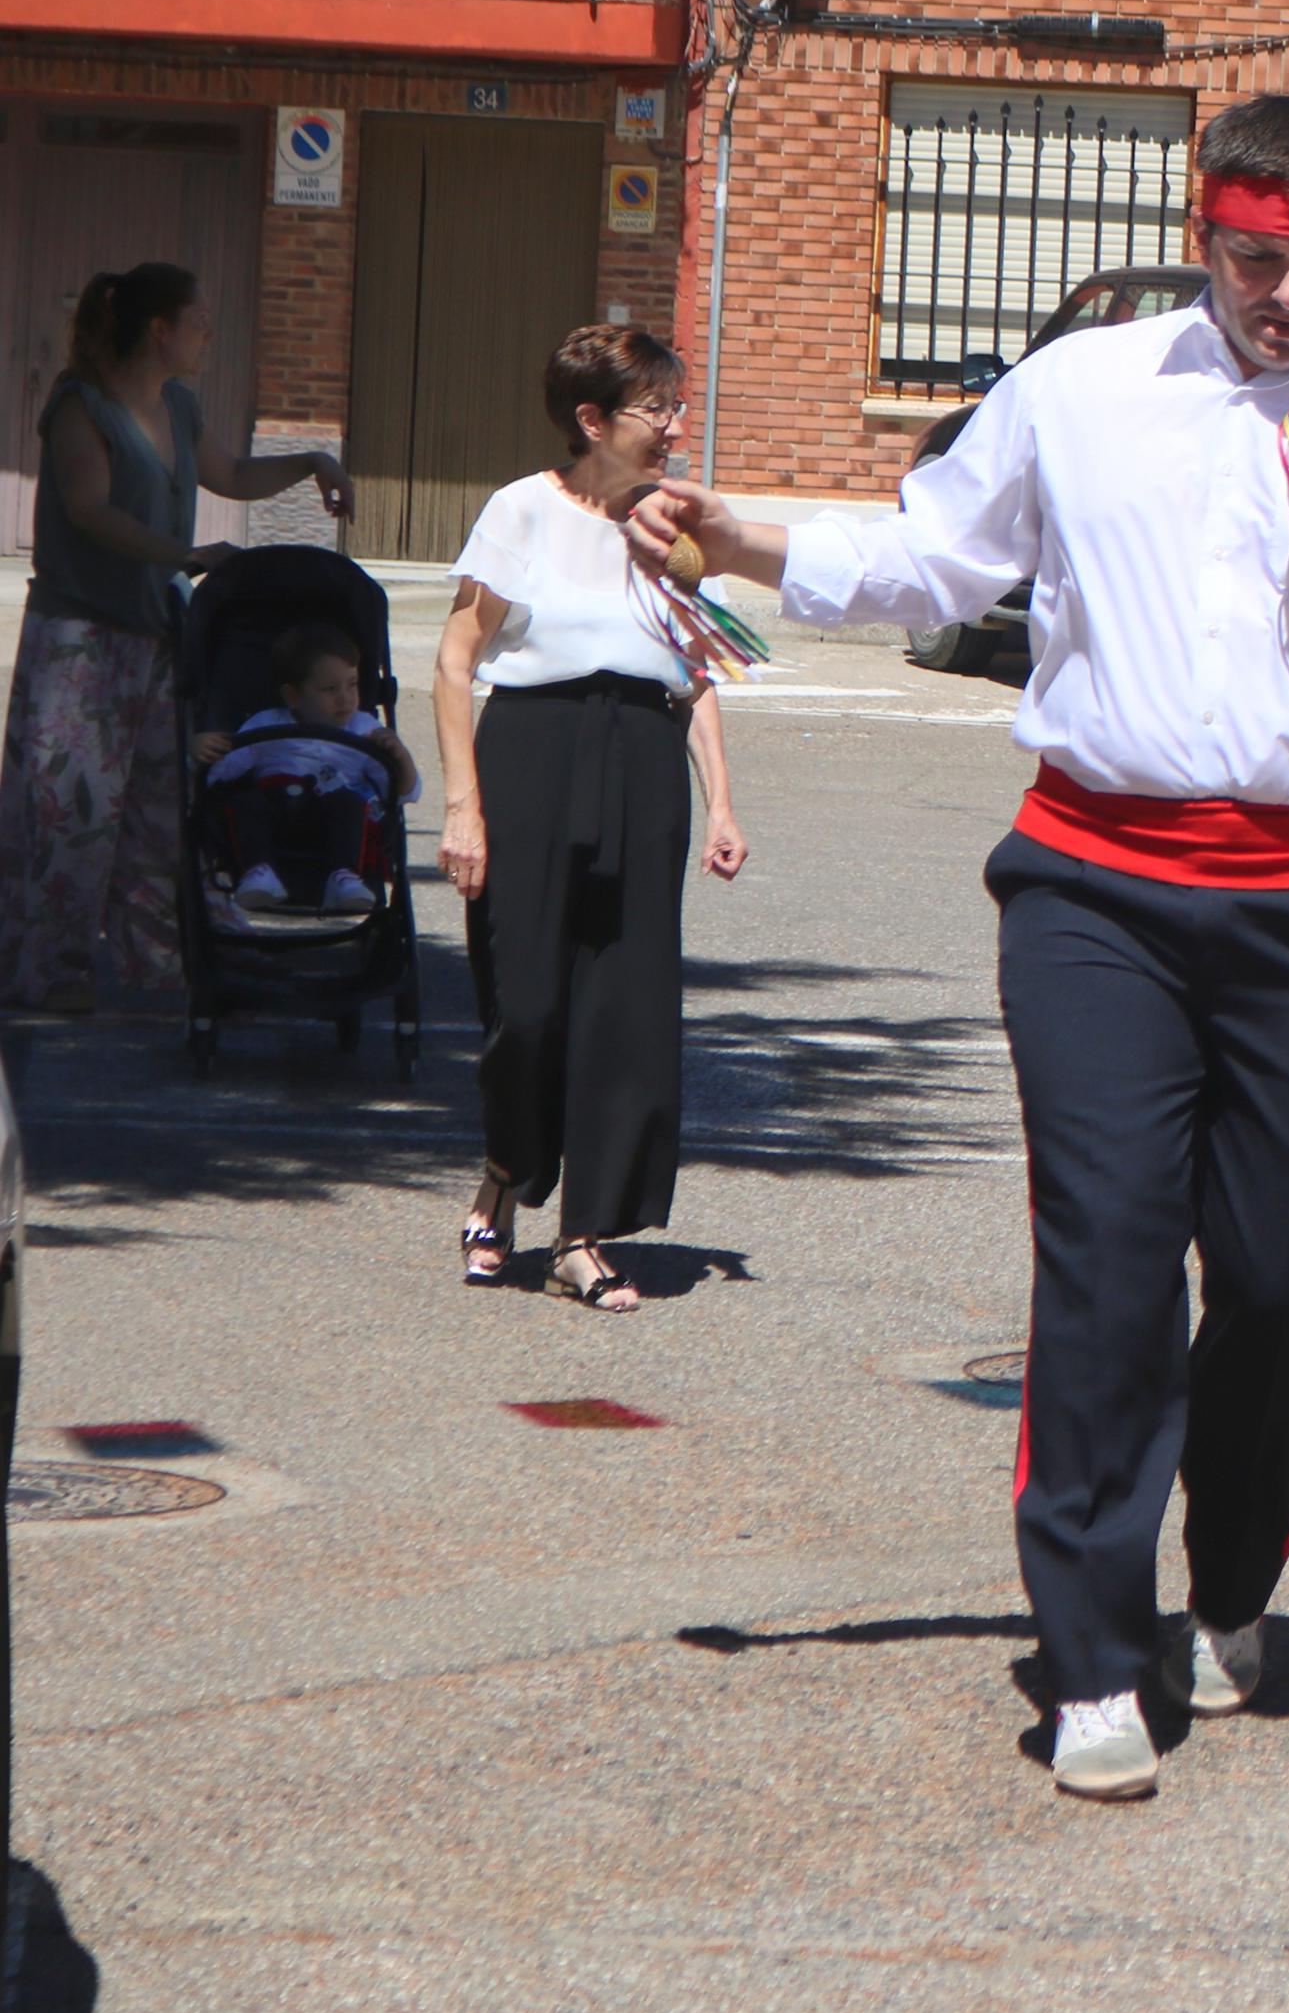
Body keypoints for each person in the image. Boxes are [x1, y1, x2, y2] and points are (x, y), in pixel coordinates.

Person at [625, 94, 1289, 1801]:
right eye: (1258, 260)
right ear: (1205, 235)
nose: (1287, 296)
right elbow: (928, 558)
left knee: (1278, 1283)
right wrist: (743, 532)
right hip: (1098, 886)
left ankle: (1228, 1580)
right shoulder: (1082, 389)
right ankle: (1098, 1648)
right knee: (1110, 1259)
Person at [433, 328, 748, 1312]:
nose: (673, 426)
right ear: (592, 419)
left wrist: (721, 802)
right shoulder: (521, 509)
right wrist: (463, 807)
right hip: (533, 752)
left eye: (676, 405)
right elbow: (455, 661)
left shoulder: (675, 527)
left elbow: (695, 673)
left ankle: (584, 1232)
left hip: (642, 760)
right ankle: (502, 1178)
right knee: (524, 1004)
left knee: (624, 1010)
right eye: (655, 408)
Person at [0, 262, 350, 1009]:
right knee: (71, 814)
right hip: (81, 639)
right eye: (198, 322)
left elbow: (230, 473)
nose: (208, 336)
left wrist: (312, 462)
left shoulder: (181, 407)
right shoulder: (80, 406)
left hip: (157, 637)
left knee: (159, 811)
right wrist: (187, 554)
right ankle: (49, 977)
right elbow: (90, 509)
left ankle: (154, 964)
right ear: (159, 330)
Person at [196, 620, 417, 912]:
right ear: (293, 696)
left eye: (352, 685)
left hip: (331, 817)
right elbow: (221, 775)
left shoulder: (365, 729)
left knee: (350, 805)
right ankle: (259, 872)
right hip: (275, 815)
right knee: (244, 802)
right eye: (330, 689)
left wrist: (400, 757)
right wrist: (203, 750)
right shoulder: (267, 723)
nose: (345, 698)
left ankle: (344, 876)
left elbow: (399, 793)